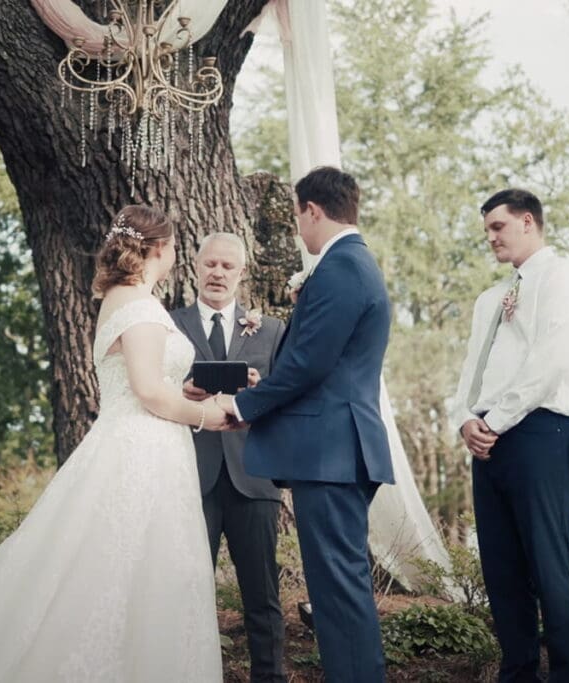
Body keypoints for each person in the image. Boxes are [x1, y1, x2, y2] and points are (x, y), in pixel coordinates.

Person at [0, 205, 228, 682]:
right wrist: (208, 416)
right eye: (174, 245)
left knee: (124, 573)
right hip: (143, 452)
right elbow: (148, 391)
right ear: (159, 248)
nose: (175, 253)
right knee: (135, 571)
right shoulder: (139, 302)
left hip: (144, 445)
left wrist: (188, 393)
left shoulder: (123, 298)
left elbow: (151, 383)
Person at [214, 166, 394, 683]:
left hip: (332, 452)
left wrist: (243, 405)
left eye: (298, 216)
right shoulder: (351, 266)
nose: (298, 227)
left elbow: (308, 363)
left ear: (313, 210)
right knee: (338, 590)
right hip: (336, 450)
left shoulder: (341, 269)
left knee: (338, 592)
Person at [450, 189, 569, 682]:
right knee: (502, 569)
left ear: (528, 222)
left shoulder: (563, 277)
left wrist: (496, 419)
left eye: (498, 227)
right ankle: (517, 673)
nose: (489, 237)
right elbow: (472, 369)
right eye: (487, 229)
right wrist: (465, 420)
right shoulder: (491, 297)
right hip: (488, 439)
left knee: (549, 565)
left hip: (541, 431)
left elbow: (549, 361)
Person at [173, 233, 287, 683]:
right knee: (184, 593)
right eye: (210, 264)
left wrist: (260, 392)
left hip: (253, 478)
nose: (218, 273)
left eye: (228, 266)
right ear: (195, 267)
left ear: (242, 273)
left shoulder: (272, 330)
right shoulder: (168, 324)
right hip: (187, 477)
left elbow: (288, 398)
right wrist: (182, 389)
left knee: (262, 597)